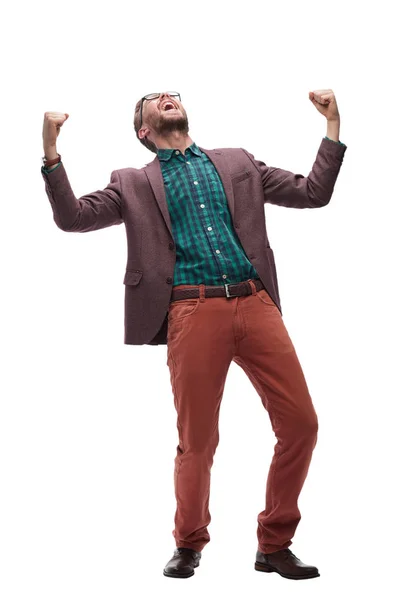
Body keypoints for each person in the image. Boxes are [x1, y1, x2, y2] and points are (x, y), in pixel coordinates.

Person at [41, 89, 347, 580]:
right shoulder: (133, 183)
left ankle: (274, 543)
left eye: (173, 94)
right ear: (143, 129)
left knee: (301, 425)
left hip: (255, 301)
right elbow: (72, 218)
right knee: (198, 441)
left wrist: (332, 127)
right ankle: (188, 541)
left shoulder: (237, 161)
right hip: (191, 309)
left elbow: (313, 192)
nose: (167, 97)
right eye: (153, 100)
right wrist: (51, 152)